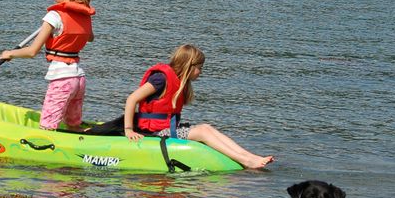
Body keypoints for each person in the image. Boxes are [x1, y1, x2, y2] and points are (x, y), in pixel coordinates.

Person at [94, 44, 273, 169]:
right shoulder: (161, 79)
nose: (201, 72)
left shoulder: (181, 82)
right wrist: (128, 130)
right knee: (203, 132)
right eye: (199, 68)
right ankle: (247, 161)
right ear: (189, 65)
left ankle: (249, 157)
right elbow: (131, 99)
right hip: (153, 132)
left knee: (206, 128)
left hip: (165, 129)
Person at [0, 0, 95, 131]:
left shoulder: (54, 16)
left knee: (47, 128)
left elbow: (32, 51)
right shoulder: (84, 14)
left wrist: (10, 53)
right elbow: (90, 37)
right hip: (79, 78)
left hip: (62, 79)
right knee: (74, 126)